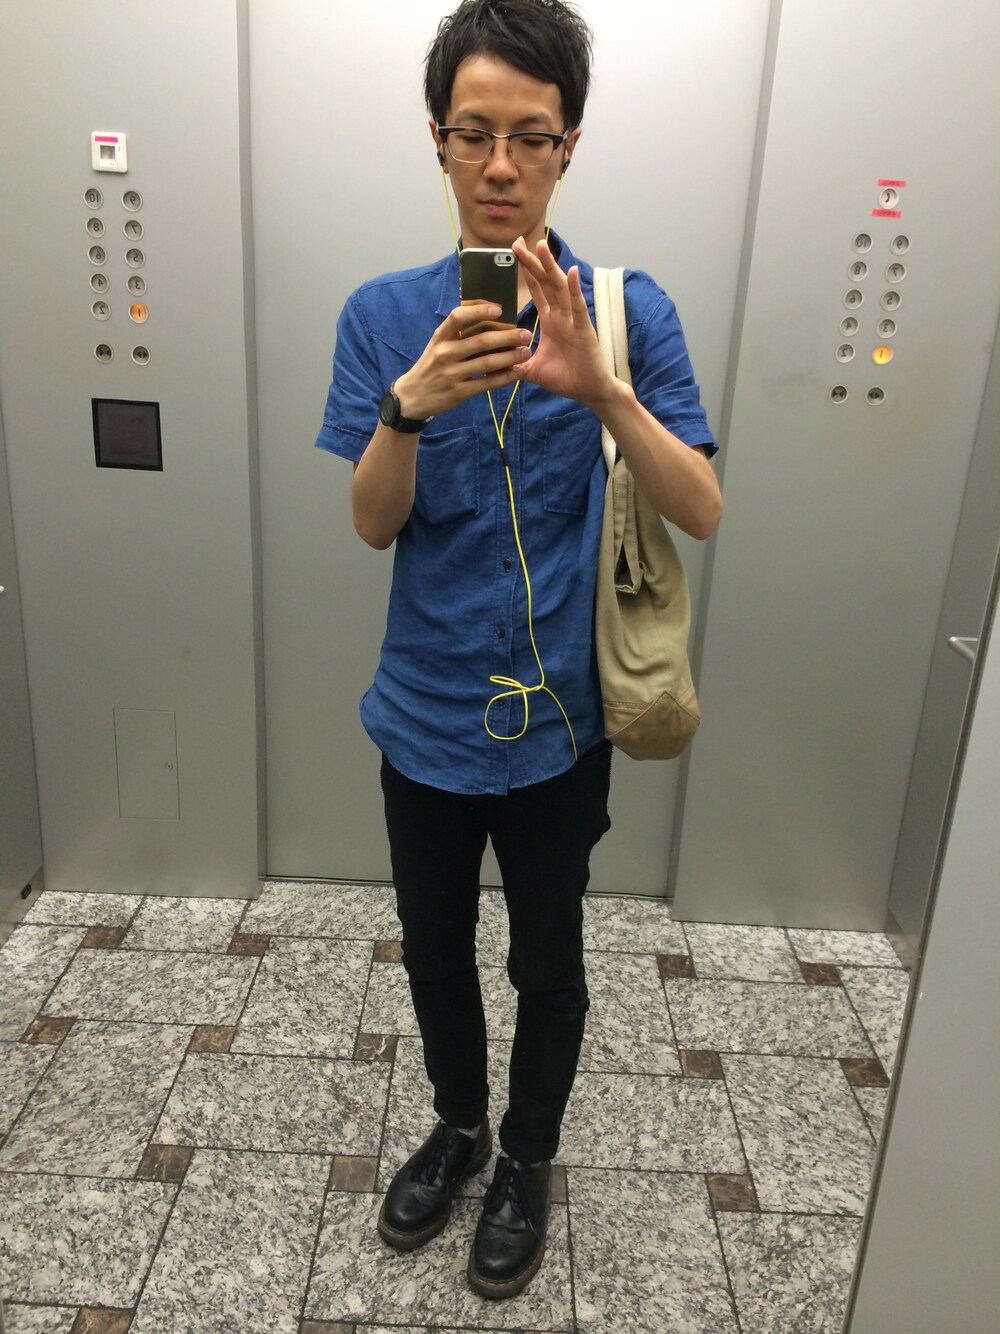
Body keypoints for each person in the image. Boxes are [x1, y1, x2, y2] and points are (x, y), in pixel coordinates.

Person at [315, 0, 721, 1301]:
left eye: (530, 137)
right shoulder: (382, 315)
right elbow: (373, 526)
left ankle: (527, 1158)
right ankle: (460, 1126)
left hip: (561, 726)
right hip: (424, 717)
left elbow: (701, 506)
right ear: (438, 141)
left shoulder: (627, 309)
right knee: (435, 951)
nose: (500, 165)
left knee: (549, 961)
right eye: (473, 133)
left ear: (568, 147)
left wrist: (602, 386)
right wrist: (407, 409)